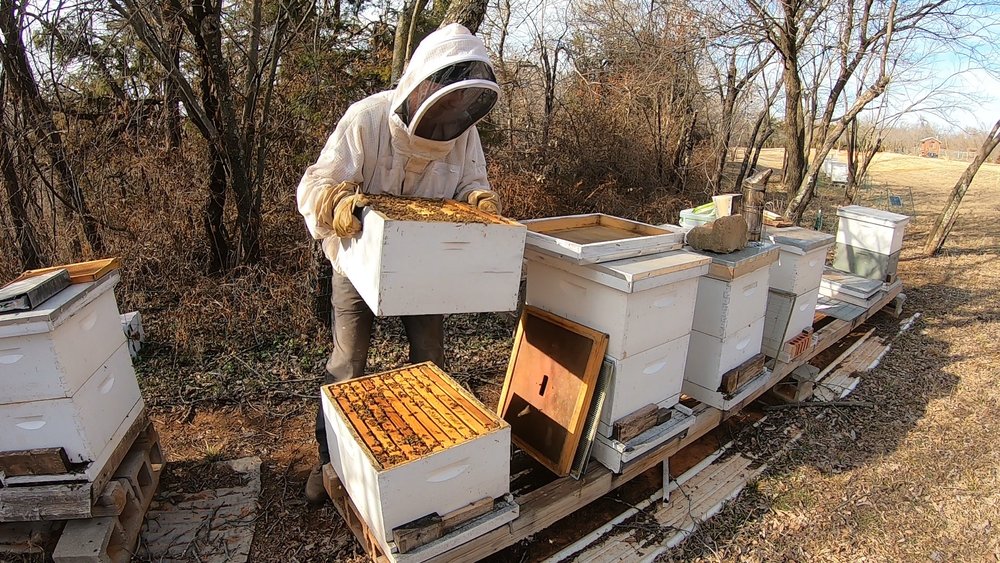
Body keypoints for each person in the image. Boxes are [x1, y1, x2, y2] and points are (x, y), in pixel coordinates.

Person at [296, 23, 502, 505]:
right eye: (443, 102)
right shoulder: (366, 119)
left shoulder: (464, 134)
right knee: (348, 364)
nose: (449, 116)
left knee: (431, 362)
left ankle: (428, 459)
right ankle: (328, 460)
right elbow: (315, 185)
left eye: (459, 106)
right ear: (422, 85)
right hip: (357, 266)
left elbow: (471, 181)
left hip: (423, 273)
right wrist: (334, 204)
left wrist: (477, 199)